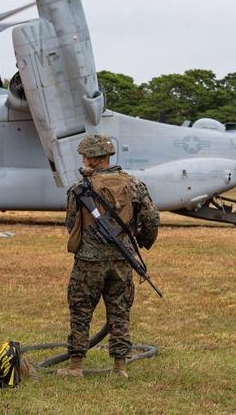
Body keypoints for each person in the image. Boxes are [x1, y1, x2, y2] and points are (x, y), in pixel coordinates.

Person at [57, 134, 160, 379]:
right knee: (120, 311)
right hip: (122, 260)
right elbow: (152, 219)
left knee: (81, 311)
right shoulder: (134, 184)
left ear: (90, 159)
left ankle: (75, 366)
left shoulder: (79, 189)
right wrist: (142, 242)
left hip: (89, 262)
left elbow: (72, 223)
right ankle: (120, 367)